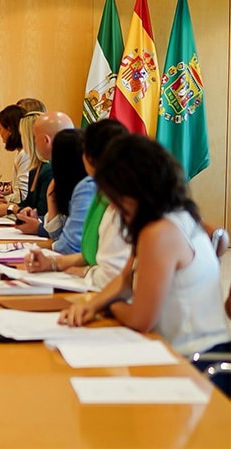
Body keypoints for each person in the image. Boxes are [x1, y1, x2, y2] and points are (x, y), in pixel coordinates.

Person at [58, 135, 230, 364]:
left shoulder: (160, 232)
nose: (112, 205)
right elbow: (125, 279)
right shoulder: (169, 216)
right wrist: (92, 305)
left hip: (196, 359)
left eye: (115, 195)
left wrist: (110, 307)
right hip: (183, 351)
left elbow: (141, 320)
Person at [26, 118, 131, 290]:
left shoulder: (102, 192)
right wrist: (52, 263)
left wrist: (85, 272)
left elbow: (111, 273)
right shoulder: (103, 190)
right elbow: (89, 253)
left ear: (88, 157)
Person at [14, 111, 74, 235]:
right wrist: (30, 213)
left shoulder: (54, 171)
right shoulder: (38, 168)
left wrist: (39, 228)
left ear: (46, 140)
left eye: (35, 138)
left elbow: (72, 233)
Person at [42, 128, 96, 254]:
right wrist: (51, 198)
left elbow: (70, 246)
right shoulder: (69, 188)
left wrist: (48, 248)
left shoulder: (86, 188)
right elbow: (58, 236)